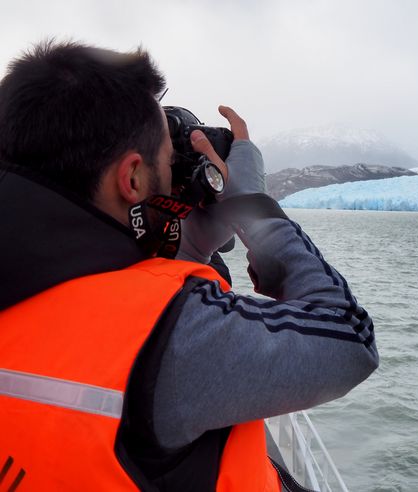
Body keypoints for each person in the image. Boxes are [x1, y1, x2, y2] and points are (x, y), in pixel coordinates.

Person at [0, 41, 378, 491]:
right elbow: (349, 340)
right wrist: (252, 206)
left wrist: (190, 250)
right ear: (133, 178)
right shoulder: (171, 335)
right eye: (168, 159)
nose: (175, 170)